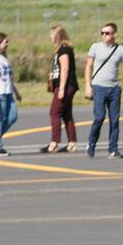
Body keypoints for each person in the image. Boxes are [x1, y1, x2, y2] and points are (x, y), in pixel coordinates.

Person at [84, 22, 123, 158]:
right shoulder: (95, 47)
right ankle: (91, 143)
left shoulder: (121, 50)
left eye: (107, 33)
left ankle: (113, 148)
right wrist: (88, 86)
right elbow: (88, 67)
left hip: (114, 88)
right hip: (99, 87)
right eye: (102, 33)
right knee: (99, 117)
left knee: (114, 120)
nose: (104, 35)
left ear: (114, 34)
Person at [41, 25, 78, 153]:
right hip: (65, 85)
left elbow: (65, 69)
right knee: (66, 113)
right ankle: (72, 143)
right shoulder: (61, 50)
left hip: (66, 86)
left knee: (54, 112)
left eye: (52, 34)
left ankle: (54, 142)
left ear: (58, 36)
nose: (50, 37)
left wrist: (61, 88)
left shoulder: (64, 50)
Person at [0, 32, 21, 157]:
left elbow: (9, 78)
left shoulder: (4, 57)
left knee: (13, 117)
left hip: (8, 92)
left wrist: (16, 93)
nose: (7, 44)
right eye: (5, 42)